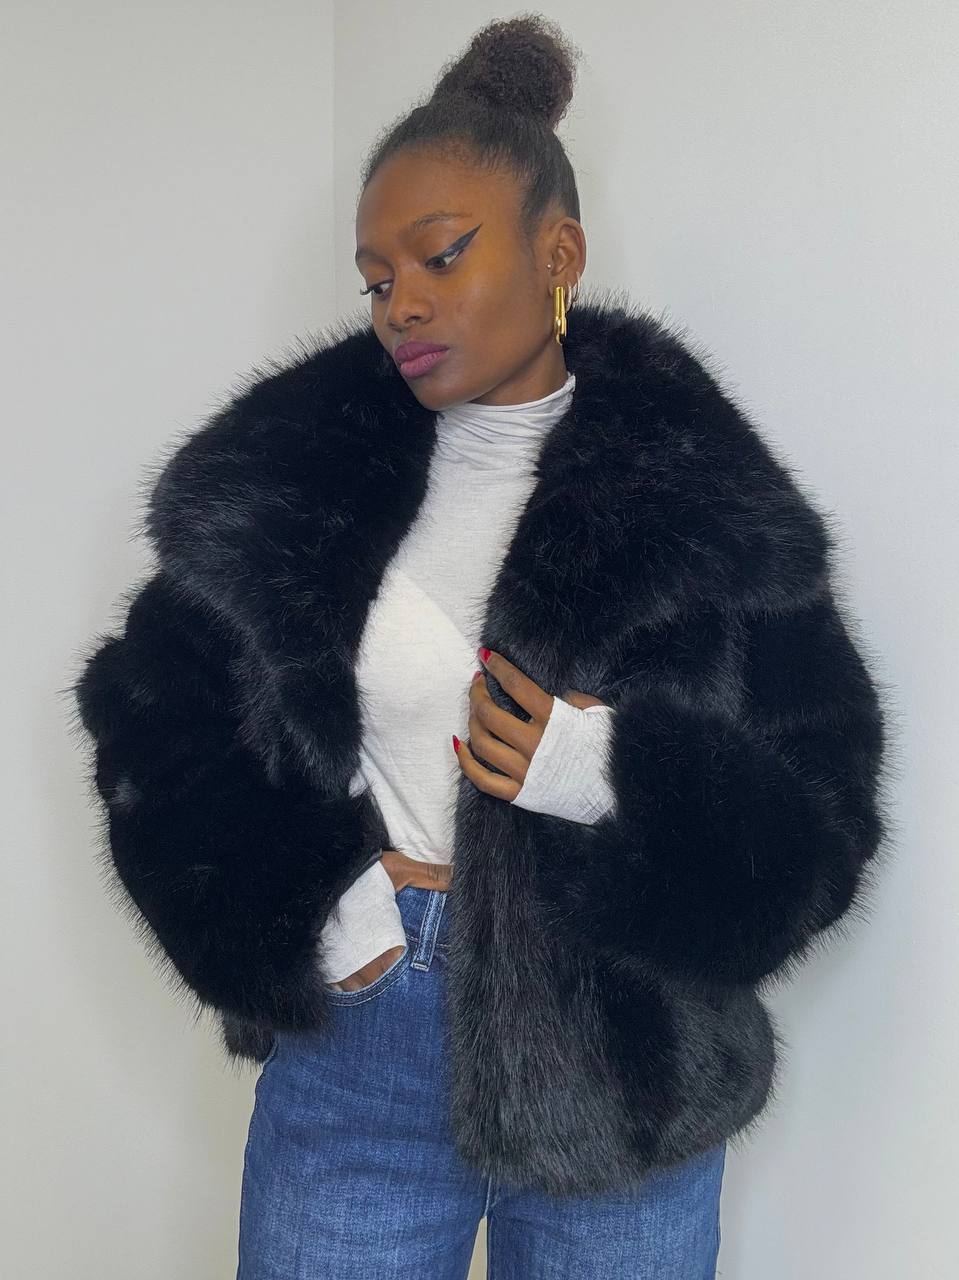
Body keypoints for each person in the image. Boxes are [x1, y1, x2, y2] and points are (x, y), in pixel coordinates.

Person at [70, 15, 891, 1279]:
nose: (401, 300)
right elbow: (153, 720)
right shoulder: (293, 487)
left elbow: (823, 815)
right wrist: (315, 908)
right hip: (362, 1044)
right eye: (376, 276)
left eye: (440, 254)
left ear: (557, 252)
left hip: (627, 1065)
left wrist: (610, 773)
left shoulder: (704, 500)